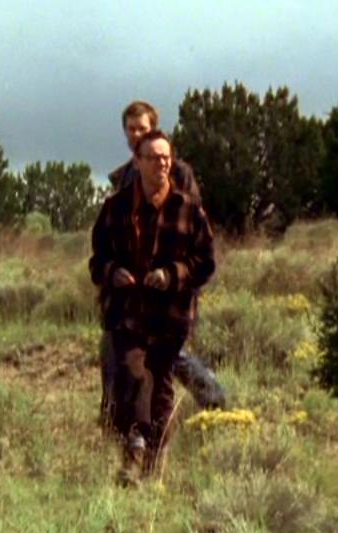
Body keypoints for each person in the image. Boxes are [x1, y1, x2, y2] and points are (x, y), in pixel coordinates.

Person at [90, 130, 216, 485]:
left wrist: (172, 274)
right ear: (138, 162)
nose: (161, 163)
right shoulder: (115, 208)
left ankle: (154, 464)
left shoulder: (188, 209)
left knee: (160, 388)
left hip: (170, 317)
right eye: (153, 157)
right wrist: (112, 272)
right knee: (132, 376)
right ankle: (134, 454)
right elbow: (97, 261)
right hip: (127, 313)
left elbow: (205, 263)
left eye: (166, 158)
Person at [98, 101, 226, 432]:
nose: (135, 134)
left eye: (142, 128)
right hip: (130, 293)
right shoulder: (124, 177)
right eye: (130, 129)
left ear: (153, 128)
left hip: (171, 291)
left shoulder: (178, 173)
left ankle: (213, 401)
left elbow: (191, 231)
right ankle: (117, 421)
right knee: (117, 352)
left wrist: (174, 275)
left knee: (169, 358)